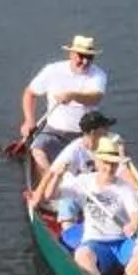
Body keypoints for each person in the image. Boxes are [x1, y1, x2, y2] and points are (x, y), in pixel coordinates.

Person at [58, 133, 138, 275]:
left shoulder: (126, 188)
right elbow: (51, 195)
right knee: (82, 255)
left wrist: (133, 225)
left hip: (122, 243)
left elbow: (135, 215)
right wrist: (56, 175)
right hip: (96, 242)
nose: (109, 167)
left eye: (113, 164)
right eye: (105, 162)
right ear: (96, 161)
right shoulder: (83, 182)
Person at [29, 110, 136, 235]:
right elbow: (51, 172)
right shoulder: (75, 149)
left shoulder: (109, 146)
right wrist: (37, 196)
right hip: (81, 192)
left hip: (104, 189)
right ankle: (69, 232)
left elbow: (124, 170)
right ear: (93, 132)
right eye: (105, 128)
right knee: (67, 202)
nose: (108, 131)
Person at [17, 33, 109, 173]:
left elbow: (95, 97)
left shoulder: (98, 75)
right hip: (54, 131)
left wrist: (72, 95)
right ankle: (50, 186)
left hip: (87, 133)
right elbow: (30, 93)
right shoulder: (52, 71)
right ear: (71, 54)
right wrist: (29, 120)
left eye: (89, 57)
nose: (85, 61)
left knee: (109, 154)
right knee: (37, 151)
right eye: (81, 56)